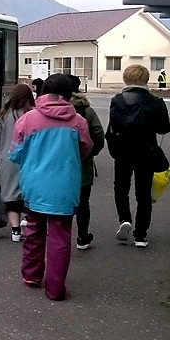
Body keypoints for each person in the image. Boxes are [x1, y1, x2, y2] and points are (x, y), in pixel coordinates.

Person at [9, 74, 93, 301]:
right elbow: (86, 150)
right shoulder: (77, 121)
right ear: (68, 95)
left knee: (34, 231)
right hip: (65, 188)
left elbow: (15, 154)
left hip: (34, 186)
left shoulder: (27, 120)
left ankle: (31, 275)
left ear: (42, 92)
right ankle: (55, 289)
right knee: (60, 237)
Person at [106, 64, 170, 248]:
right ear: (146, 79)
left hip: (122, 152)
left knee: (121, 188)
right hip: (146, 151)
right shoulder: (155, 101)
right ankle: (141, 236)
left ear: (126, 79)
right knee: (143, 194)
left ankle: (124, 219)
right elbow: (164, 128)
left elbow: (113, 126)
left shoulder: (117, 100)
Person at [0, 83, 35, 242]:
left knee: (10, 195)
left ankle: (15, 231)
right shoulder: (33, 114)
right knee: (29, 193)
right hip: (30, 160)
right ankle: (29, 221)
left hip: (8, 160)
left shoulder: (3, 115)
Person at [65, 74, 105, 251]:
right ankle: (82, 236)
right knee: (83, 202)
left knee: (61, 202)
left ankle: (61, 236)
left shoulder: (55, 108)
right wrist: (91, 153)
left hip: (59, 164)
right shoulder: (86, 110)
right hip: (83, 163)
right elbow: (98, 134)